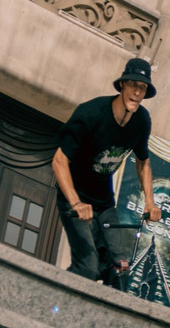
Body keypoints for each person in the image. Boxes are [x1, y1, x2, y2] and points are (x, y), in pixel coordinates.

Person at [52, 57, 161, 285]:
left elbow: (143, 162)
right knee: (88, 266)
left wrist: (150, 202)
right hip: (74, 197)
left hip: (103, 203)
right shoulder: (91, 114)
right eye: (133, 85)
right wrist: (75, 203)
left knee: (119, 268)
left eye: (142, 88)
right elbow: (59, 161)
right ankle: (54, 300)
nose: (137, 93)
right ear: (122, 85)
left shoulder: (141, 121)